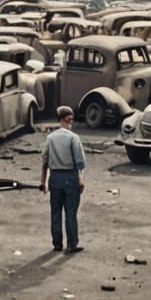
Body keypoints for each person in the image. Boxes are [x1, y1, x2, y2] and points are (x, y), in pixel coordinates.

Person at [40, 106, 86, 253]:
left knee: (56, 212)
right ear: (69, 119)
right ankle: (72, 244)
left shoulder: (50, 138)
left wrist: (43, 182)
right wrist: (80, 179)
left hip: (55, 179)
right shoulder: (74, 138)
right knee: (71, 212)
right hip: (70, 177)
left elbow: (45, 162)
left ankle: (57, 244)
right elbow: (79, 162)